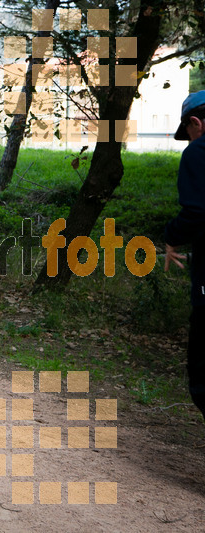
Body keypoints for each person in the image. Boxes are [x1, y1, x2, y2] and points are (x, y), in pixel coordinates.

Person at [164, 89, 205, 420]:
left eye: (188, 133)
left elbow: (195, 213)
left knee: (202, 378)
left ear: (196, 123)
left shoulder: (198, 153)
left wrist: (171, 239)